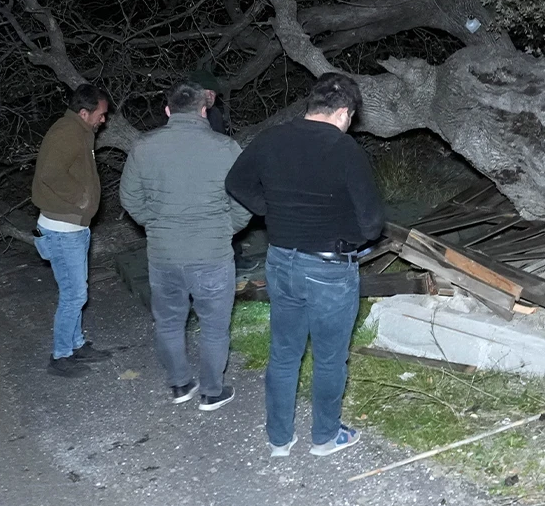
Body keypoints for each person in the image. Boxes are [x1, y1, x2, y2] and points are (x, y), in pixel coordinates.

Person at [226, 73, 385, 457]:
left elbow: (235, 182)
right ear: (344, 112)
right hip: (329, 268)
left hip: (281, 261)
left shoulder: (270, 139)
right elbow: (372, 223)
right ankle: (325, 437)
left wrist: (270, 211)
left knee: (284, 352)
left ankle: (279, 439)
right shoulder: (344, 149)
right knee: (329, 358)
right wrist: (351, 238)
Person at [119, 82, 251, 410]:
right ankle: (211, 391)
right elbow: (246, 199)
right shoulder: (225, 148)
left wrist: (155, 225)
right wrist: (227, 228)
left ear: (168, 111)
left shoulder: (143, 147)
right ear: (204, 111)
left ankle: (179, 384)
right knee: (214, 326)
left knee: (168, 322)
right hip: (212, 254)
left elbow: (129, 198)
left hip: (164, 254)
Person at [32, 84, 113, 378]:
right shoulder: (67, 133)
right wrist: (81, 198)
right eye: (100, 114)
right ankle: (61, 355)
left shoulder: (79, 131)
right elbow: (51, 174)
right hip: (62, 230)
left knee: (77, 291)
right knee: (74, 294)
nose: (103, 119)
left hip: (72, 228)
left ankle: (76, 344)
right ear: (83, 112)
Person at [187, 69, 229, 135]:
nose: (209, 96)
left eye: (212, 92)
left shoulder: (215, 115)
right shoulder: (179, 113)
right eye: (205, 92)